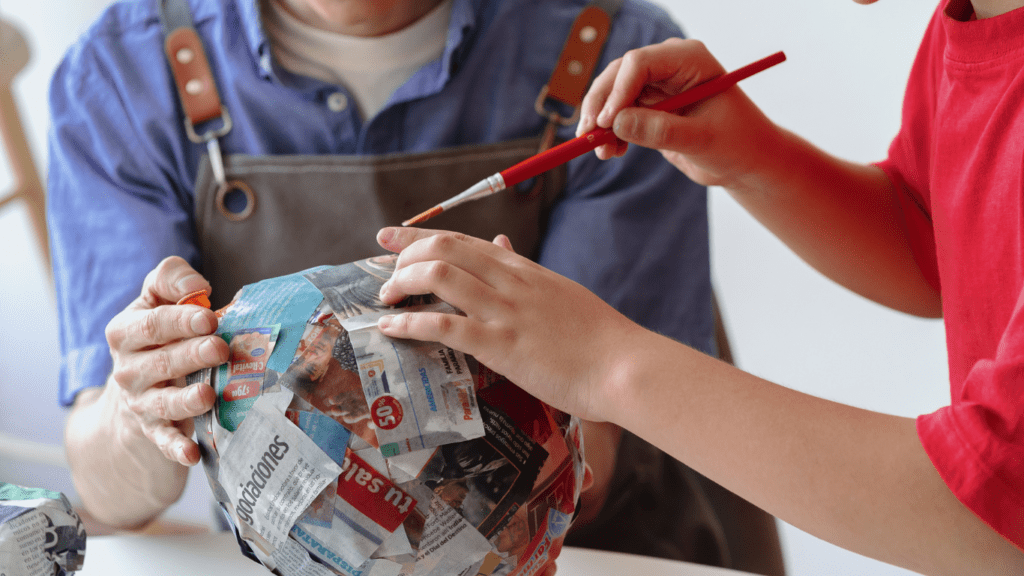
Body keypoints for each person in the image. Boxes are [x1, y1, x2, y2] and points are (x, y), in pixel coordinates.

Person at [48, 0, 784, 572]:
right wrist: (141, 406)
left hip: (603, 549)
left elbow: (605, 439)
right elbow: (109, 489)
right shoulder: (120, 75)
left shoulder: (619, 62)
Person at [369, 0, 1024, 574]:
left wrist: (605, 362)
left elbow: (992, 516)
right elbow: (933, 243)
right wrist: (757, 159)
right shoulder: (968, 22)